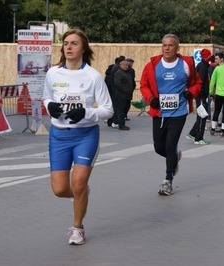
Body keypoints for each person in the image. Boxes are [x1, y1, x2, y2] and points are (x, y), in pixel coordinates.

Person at [42, 28, 113, 245]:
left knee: (79, 184)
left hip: (85, 136)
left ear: (83, 48)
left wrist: (86, 112)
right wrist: (49, 106)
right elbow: (46, 97)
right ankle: (81, 194)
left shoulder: (93, 76)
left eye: (74, 43)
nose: (69, 47)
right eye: (66, 43)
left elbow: (108, 110)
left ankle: (77, 228)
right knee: (60, 189)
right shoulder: (53, 74)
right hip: (59, 136)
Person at [140, 34, 202, 196]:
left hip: (178, 112)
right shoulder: (153, 65)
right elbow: (144, 85)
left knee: (170, 144)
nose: (167, 48)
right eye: (164, 45)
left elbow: (197, 83)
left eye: (170, 45)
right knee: (159, 147)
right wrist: (151, 99)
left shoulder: (186, 64)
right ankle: (175, 157)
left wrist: (191, 93)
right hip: (159, 112)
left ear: (177, 48)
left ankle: (168, 181)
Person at [186, 48, 211, 145]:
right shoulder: (203, 67)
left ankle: (193, 133)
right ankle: (199, 137)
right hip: (201, 95)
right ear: (208, 56)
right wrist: (201, 95)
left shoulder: (201, 66)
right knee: (202, 116)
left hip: (199, 94)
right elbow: (201, 82)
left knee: (201, 115)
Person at [107, 55, 126, 128]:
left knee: (114, 106)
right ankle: (115, 121)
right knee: (117, 107)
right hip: (117, 91)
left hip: (113, 90)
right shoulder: (118, 70)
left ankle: (111, 121)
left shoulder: (114, 68)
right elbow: (117, 82)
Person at [114, 59, 133, 130]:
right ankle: (121, 124)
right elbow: (118, 84)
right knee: (121, 110)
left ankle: (120, 122)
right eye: (124, 65)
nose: (125, 66)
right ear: (121, 65)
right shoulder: (119, 73)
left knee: (125, 109)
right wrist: (126, 90)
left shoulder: (126, 73)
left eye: (126, 65)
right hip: (121, 95)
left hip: (127, 95)